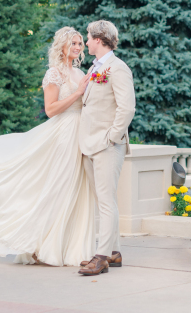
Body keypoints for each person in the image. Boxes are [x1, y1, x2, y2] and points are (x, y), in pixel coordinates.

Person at [0, 27, 96, 267]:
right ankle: (40, 245)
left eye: (80, 43)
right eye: (73, 43)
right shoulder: (54, 74)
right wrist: (78, 93)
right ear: (61, 46)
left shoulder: (79, 72)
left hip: (80, 134)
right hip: (62, 134)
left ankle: (68, 245)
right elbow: (51, 110)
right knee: (59, 187)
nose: (77, 47)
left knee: (77, 189)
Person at [77, 20, 136, 277]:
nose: (86, 42)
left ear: (99, 40)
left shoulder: (117, 68)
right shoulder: (96, 67)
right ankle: (113, 251)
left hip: (107, 145)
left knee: (105, 201)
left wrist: (111, 138)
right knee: (105, 199)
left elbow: (127, 108)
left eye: (88, 38)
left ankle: (101, 258)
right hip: (91, 144)